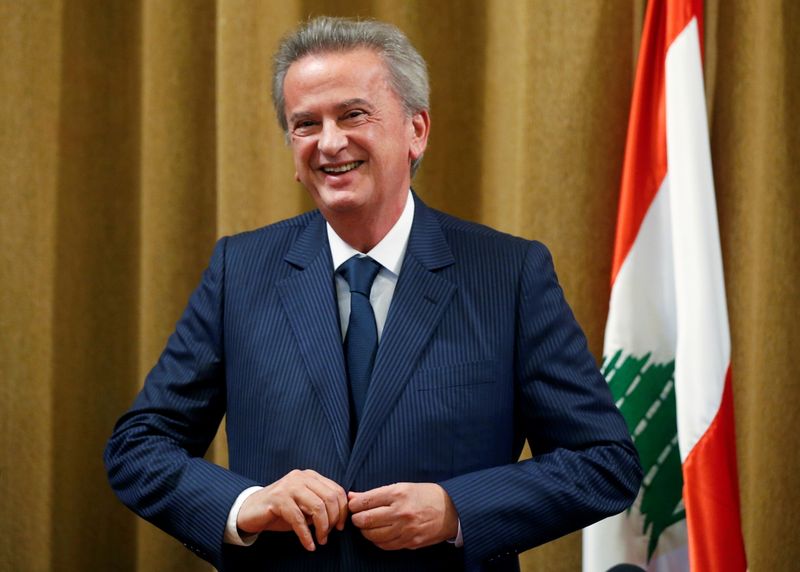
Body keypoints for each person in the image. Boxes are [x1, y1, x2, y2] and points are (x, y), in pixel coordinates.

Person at [105, 16, 641, 572]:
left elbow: (603, 462)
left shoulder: (509, 274)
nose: (330, 142)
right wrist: (245, 505)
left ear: (417, 131)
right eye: (305, 123)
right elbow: (139, 448)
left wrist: (457, 510)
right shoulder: (240, 270)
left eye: (353, 114)